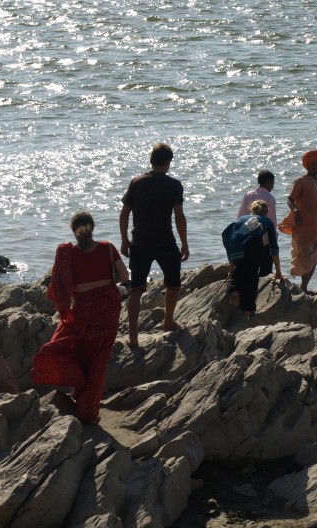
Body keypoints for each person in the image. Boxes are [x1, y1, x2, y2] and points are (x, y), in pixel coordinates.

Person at [31, 210, 129, 425]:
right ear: (92, 227)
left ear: (73, 230)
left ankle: (79, 396)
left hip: (85, 312)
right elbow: (124, 277)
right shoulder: (108, 248)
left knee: (78, 353)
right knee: (99, 363)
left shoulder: (67, 254)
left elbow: (62, 286)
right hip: (108, 310)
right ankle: (89, 410)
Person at [120, 143, 190, 346]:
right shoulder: (174, 185)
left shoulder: (136, 182)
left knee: (136, 289)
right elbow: (179, 217)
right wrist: (185, 243)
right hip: (165, 241)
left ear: (151, 160)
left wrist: (124, 239)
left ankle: (133, 337)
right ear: (168, 162)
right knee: (174, 284)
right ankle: (168, 322)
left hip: (140, 242)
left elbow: (124, 214)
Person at [222, 199, 283, 316]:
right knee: (252, 275)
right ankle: (248, 309)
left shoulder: (242, 218)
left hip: (232, 243)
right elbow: (274, 249)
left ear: (252, 210)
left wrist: (231, 269)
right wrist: (278, 272)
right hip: (251, 244)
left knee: (239, 270)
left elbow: (234, 238)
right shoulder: (267, 221)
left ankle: (234, 291)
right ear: (266, 212)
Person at [285, 149, 317, 293]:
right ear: (307, 165)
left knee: (314, 259)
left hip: (316, 228)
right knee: (304, 258)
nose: (315, 167)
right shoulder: (301, 181)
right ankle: (303, 287)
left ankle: (304, 287)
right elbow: (290, 200)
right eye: (312, 164)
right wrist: (296, 211)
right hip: (302, 227)